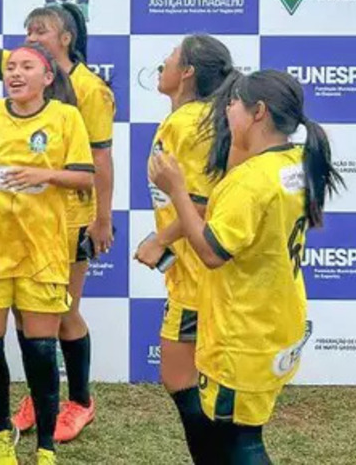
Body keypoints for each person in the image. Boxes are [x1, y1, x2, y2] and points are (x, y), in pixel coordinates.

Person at [0, 0, 114, 442]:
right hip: (15, 226)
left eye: (39, 31)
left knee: (62, 312)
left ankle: (80, 401)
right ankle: (41, 397)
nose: (29, 38)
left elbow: (100, 161)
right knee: (27, 316)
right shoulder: (21, 68)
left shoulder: (90, 89)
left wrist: (102, 219)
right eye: (26, 31)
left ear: (64, 37)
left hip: (69, 220)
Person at [149, 69, 342, 464]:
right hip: (276, 321)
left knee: (240, 441)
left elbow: (211, 253)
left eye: (234, 103)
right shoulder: (295, 161)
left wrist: (177, 191)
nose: (227, 111)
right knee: (239, 435)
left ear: (258, 112)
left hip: (244, 334)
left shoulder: (250, 182)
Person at [0, 43, 94, 465]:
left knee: (39, 351)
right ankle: (2, 435)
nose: (15, 73)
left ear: (47, 78)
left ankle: (46, 448)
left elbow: (85, 177)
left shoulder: (66, 118)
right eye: (10, 66)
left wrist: (44, 174)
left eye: (26, 66)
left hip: (42, 252)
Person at [133, 36, 236, 464]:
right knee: (194, 381)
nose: (163, 62)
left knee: (179, 377)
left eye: (172, 56)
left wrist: (160, 239)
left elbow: (202, 200)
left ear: (188, 71)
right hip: (194, 273)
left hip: (197, 277)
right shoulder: (194, 120)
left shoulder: (189, 123)